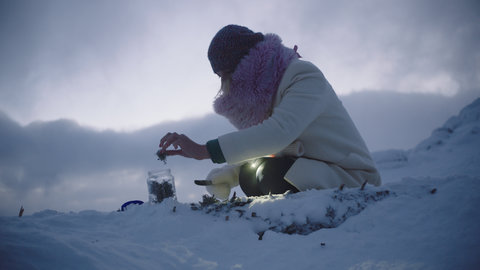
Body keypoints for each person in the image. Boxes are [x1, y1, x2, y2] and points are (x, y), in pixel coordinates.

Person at [159, 24, 381, 200]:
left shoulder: (303, 75)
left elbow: (278, 134)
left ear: (245, 64)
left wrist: (204, 151)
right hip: (313, 170)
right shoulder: (267, 94)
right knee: (250, 176)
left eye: (225, 74)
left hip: (351, 176)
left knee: (271, 175)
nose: (225, 84)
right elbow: (279, 148)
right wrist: (233, 172)